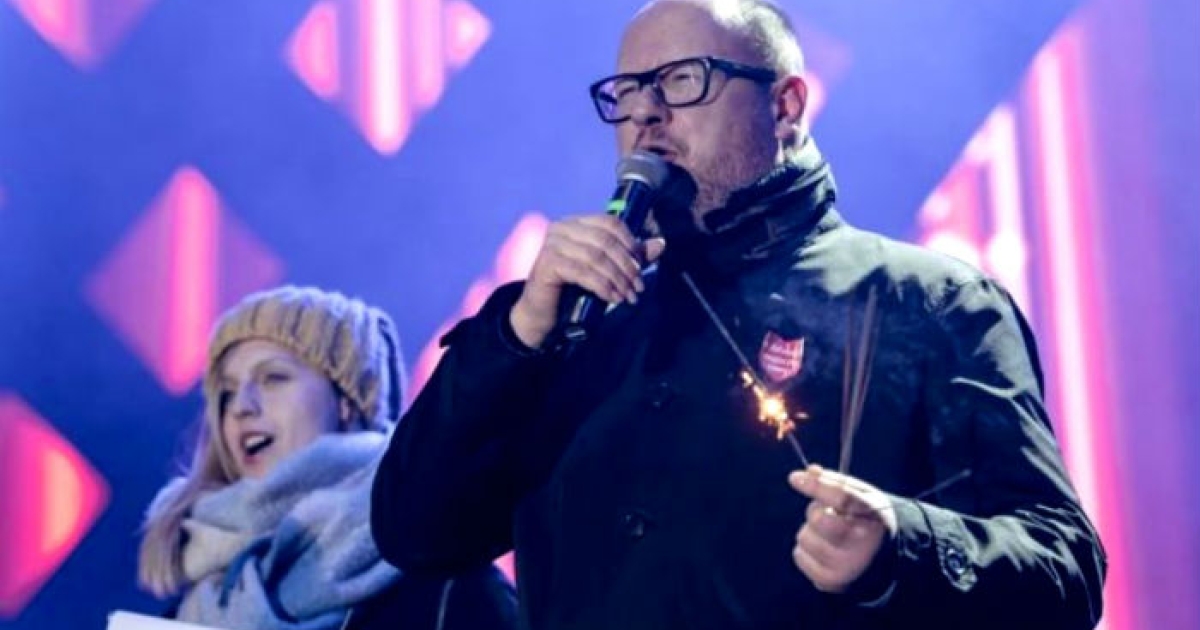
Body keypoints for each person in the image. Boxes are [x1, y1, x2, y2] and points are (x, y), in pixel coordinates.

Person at [370, 1, 1107, 628]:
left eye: (680, 79)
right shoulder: (577, 331)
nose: (644, 112)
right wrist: (516, 334)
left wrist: (898, 544)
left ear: (785, 106)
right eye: (627, 92)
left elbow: (1064, 568)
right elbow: (415, 533)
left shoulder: (927, 303)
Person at [138, 285, 517, 630]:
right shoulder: (187, 611)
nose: (241, 407)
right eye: (227, 392)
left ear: (347, 402)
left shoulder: (450, 591)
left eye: (273, 378)